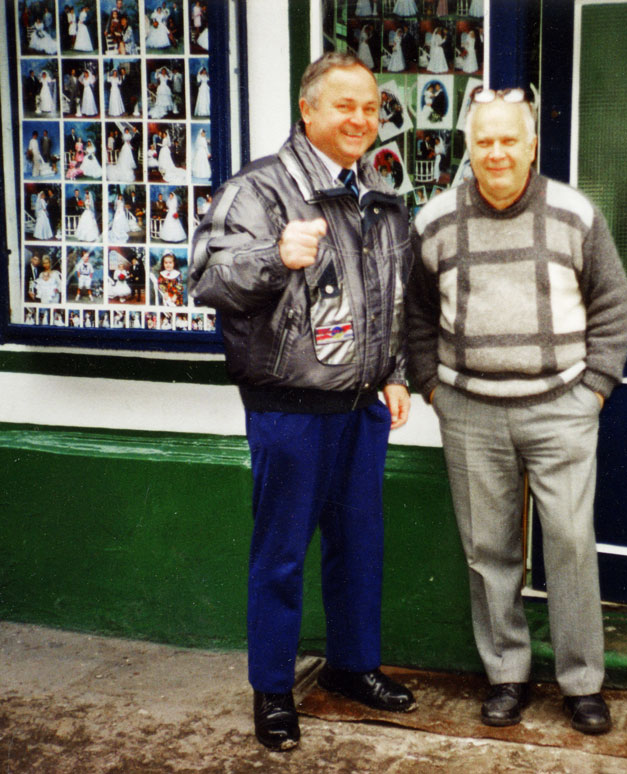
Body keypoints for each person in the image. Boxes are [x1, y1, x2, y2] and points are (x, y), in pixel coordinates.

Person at [190, 52, 417, 752]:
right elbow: (205, 277)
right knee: (281, 555)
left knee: (359, 548)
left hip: (362, 408)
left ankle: (353, 667)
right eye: (344, 105)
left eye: (371, 106)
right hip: (288, 408)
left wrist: (397, 371)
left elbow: (390, 298)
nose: (360, 118)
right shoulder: (260, 189)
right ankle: (272, 691)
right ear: (307, 110)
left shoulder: (376, 191)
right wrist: (273, 257)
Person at [406, 87, 627, 735]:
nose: (497, 152)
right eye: (485, 141)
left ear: (533, 145)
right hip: (470, 411)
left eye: (511, 140)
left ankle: (582, 682)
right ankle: (507, 673)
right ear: (469, 148)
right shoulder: (434, 221)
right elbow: (416, 315)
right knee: (488, 551)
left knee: (568, 541)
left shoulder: (574, 214)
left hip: (560, 408)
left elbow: (614, 306)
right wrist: (432, 387)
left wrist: (591, 390)